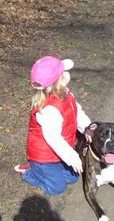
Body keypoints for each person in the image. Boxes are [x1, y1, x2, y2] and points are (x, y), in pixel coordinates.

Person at [14, 56, 91, 195]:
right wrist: (73, 157)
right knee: (57, 188)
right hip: (43, 157)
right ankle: (29, 172)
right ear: (58, 80)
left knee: (73, 178)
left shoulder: (66, 93)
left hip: (58, 153)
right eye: (63, 72)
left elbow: (76, 110)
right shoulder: (49, 110)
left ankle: (45, 172)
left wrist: (87, 127)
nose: (67, 74)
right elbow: (53, 139)